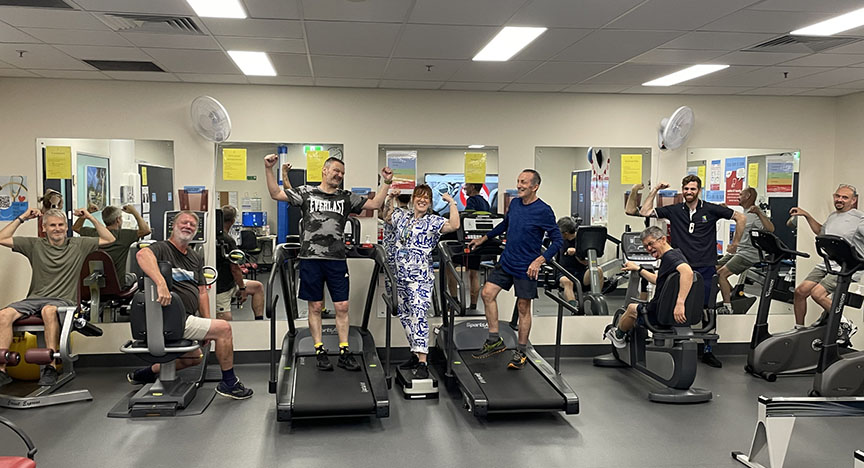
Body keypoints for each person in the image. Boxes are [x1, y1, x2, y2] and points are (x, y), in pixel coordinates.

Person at [265, 154, 393, 372]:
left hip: (336, 260)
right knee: (315, 306)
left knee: (342, 306)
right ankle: (319, 350)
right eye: (336, 171)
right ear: (324, 171)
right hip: (310, 259)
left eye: (342, 173)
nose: (339, 176)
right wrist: (269, 169)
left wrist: (386, 183)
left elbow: (376, 203)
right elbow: (276, 193)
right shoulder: (306, 192)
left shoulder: (345, 197)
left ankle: (344, 351)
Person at [127, 211, 253, 400]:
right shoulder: (162, 248)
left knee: (194, 357)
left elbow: (202, 292)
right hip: (168, 318)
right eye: (184, 223)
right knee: (224, 329)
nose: (188, 226)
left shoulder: (195, 257)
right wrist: (161, 283)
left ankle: (144, 374)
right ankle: (229, 383)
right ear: (173, 226)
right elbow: (143, 254)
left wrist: (207, 321)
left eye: (193, 225)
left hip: (186, 318)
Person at [0, 208, 114, 388]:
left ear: (66, 227)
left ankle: (50, 367)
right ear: (44, 228)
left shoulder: (79, 244)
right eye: (52, 225)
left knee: (48, 311)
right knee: (4, 314)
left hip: (63, 301)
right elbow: (2, 238)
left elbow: (109, 239)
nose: (57, 229)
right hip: (33, 299)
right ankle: (2, 370)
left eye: (61, 225)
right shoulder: (34, 245)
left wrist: (90, 218)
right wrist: (22, 218)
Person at [640, 175, 746, 368]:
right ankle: (675, 344)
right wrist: (655, 189)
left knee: (707, 308)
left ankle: (707, 350)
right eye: (686, 189)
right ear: (682, 190)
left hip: (705, 266)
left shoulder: (711, 209)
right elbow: (645, 211)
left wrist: (735, 243)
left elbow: (741, 217)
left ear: (699, 190)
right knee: (674, 304)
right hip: (679, 265)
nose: (689, 192)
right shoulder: (674, 210)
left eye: (693, 189)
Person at [467, 169, 562, 370]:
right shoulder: (516, 203)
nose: (519, 185)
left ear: (535, 186)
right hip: (508, 260)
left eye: (524, 182)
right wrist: (483, 238)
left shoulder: (544, 210)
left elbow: (558, 240)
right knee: (487, 293)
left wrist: (540, 260)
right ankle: (494, 340)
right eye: (518, 181)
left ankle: (521, 351)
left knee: (523, 308)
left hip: (526, 266)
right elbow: (505, 224)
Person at [384, 185, 459, 379]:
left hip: (421, 277)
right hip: (400, 275)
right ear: (413, 199)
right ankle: (415, 354)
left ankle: (423, 361)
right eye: (419, 196)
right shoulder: (403, 216)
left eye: (427, 198)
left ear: (430, 202)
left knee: (419, 315)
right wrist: (390, 198)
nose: (422, 200)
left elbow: (454, 225)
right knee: (404, 315)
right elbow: (386, 217)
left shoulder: (433, 221)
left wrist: (452, 203)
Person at [605, 226, 693, 348]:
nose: (649, 249)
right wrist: (639, 269)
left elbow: (688, 272)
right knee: (636, 307)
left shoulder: (669, 257)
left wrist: (680, 303)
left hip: (657, 314)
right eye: (646, 246)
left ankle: (618, 336)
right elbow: (658, 280)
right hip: (667, 311)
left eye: (651, 244)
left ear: (663, 239)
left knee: (631, 308)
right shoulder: (676, 254)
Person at [789, 184, 863, 327]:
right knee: (800, 292)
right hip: (828, 264)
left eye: (845, 197)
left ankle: (846, 325)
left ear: (853, 200)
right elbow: (821, 232)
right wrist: (807, 215)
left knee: (818, 294)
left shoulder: (859, 218)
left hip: (848, 267)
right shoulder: (833, 216)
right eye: (837, 196)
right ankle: (799, 330)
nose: (839, 199)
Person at [716, 187, 774, 313]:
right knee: (712, 269)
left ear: (748, 196)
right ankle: (733, 295)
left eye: (740, 194)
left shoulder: (756, 214)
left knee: (722, 274)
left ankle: (728, 307)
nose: (738, 196)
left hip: (749, 254)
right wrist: (726, 210)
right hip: (739, 251)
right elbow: (741, 220)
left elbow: (770, 229)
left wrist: (759, 212)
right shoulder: (745, 213)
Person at [73, 203, 151, 288]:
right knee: (133, 276)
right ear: (118, 220)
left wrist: (87, 212)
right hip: (117, 285)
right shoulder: (124, 236)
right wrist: (134, 212)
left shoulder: (93, 233)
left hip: (95, 283)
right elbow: (146, 230)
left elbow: (76, 228)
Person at [214, 205, 265, 321]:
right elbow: (235, 268)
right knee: (226, 322)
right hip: (221, 289)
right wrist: (242, 289)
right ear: (232, 221)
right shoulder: (226, 240)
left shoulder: (220, 237)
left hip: (231, 283)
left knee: (257, 287)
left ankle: (259, 322)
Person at [556, 216, 602, 311]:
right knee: (568, 282)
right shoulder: (559, 241)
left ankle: (597, 300)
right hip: (564, 273)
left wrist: (577, 253)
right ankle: (575, 309)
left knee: (598, 270)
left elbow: (586, 262)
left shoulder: (582, 240)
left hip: (581, 272)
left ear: (566, 233)